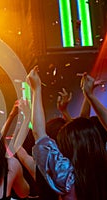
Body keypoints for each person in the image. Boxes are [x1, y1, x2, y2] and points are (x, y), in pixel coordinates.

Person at [27, 66, 107, 200]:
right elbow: (82, 131)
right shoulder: (103, 168)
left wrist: (36, 89)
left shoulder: (66, 177)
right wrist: (90, 96)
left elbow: (39, 134)